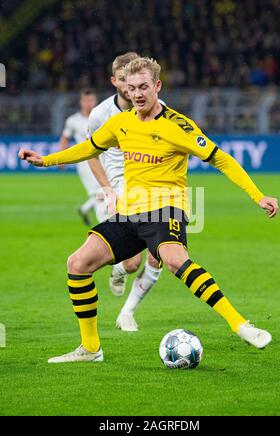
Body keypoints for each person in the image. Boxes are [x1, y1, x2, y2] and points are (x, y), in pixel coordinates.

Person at [19, 57, 279, 364]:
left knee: (173, 260)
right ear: (125, 90)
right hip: (130, 211)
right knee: (77, 263)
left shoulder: (177, 125)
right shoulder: (121, 122)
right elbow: (90, 148)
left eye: (144, 87)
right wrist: (46, 159)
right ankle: (90, 349)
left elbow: (220, 158)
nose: (138, 94)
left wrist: (257, 195)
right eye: (132, 89)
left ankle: (240, 324)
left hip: (165, 208)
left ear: (157, 86)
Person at [87, 52, 162, 332]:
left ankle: (127, 313)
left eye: (134, 83)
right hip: (118, 190)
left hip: (151, 189)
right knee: (131, 264)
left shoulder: (157, 108)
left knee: (159, 255)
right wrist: (106, 189)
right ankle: (119, 270)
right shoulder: (100, 115)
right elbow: (91, 153)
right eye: (123, 81)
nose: (129, 88)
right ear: (116, 82)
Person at [59, 89, 98, 226]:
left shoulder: (101, 117)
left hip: (103, 159)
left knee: (105, 191)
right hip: (85, 163)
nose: (89, 104)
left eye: (91, 100)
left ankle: (85, 209)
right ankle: (104, 226)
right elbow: (65, 138)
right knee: (100, 193)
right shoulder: (73, 121)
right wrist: (62, 158)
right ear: (81, 102)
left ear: (95, 101)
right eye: (86, 101)